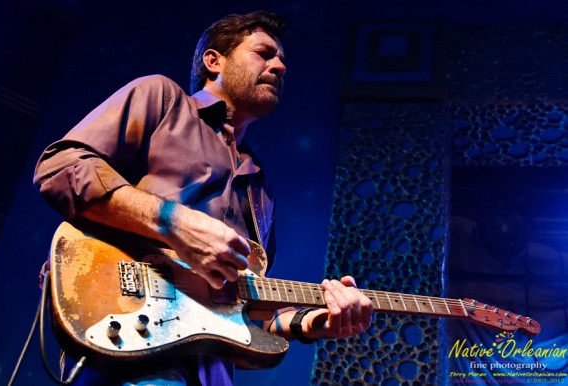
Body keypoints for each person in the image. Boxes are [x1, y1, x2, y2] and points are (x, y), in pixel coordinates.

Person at [34, 11, 373, 386]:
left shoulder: (260, 187)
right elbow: (60, 167)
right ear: (214, 61)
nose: (279, 67)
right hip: (126, 341)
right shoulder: (161, 99)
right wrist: (172, 221)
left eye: (283, 62)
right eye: (264, 53)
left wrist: (312, 323)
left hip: (209, 374)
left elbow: (244, 311)